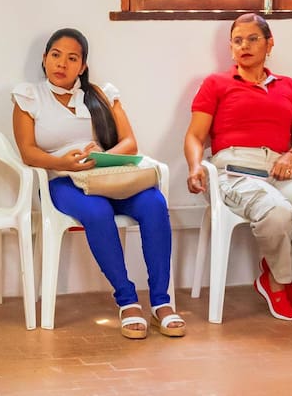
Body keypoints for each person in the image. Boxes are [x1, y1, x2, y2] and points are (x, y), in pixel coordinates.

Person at [11, 27, 181, 338]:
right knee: (97, 211)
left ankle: (161, 302)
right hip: (63, 181)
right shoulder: (28, 96)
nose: (62, 63)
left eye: (72, 58)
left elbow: (129, 141)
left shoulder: (100, 94)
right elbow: (27, 152)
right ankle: (127, 301)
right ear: (44, 59)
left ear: (83, 66)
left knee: (154, 204)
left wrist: (103, 161)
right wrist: (65, 163)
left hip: (108, 176)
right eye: (56, 55)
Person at [184, 14, 292, 321]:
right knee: (278, 212)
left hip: (279, 166)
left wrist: (290, 157)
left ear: (269, 44)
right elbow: (195, 135)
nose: (244, 46)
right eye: (237, 40)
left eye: (252, 39)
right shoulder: (216, 83)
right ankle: (279, 279)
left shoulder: (286, 86)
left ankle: (277, 275)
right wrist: (195, 166)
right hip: (234, 169)